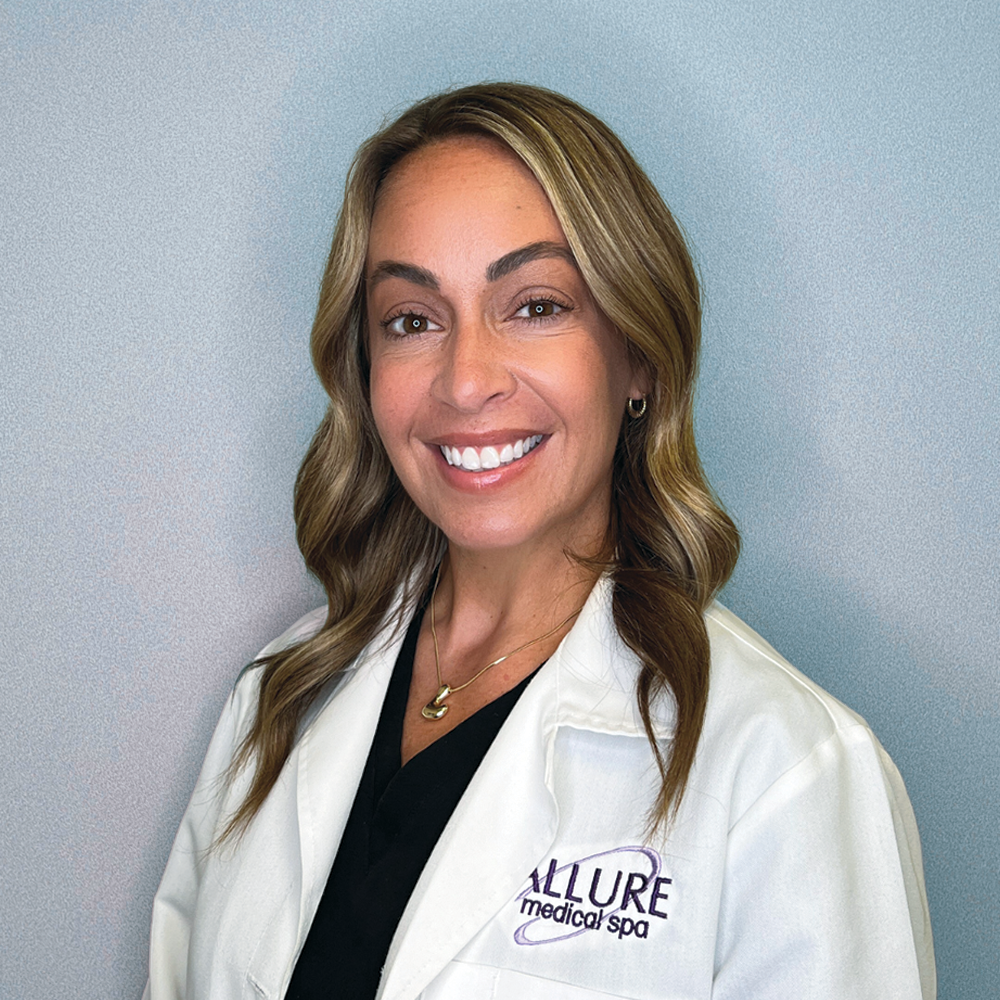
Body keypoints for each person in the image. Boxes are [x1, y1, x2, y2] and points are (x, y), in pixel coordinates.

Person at [143, 83, 935, 1000]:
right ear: (366, 373)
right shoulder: (277, 703)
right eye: (412, 319)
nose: (465, 379)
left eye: (535, 306)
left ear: (637, 354)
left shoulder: (787, 771)